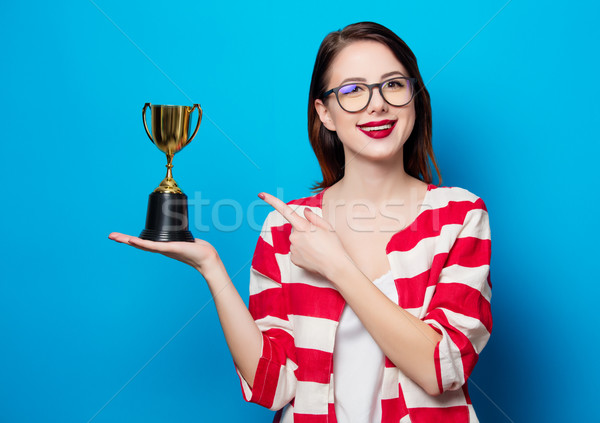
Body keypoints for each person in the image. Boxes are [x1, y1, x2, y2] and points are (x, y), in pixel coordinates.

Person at [110, 21, 491, 423]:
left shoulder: (459, 216)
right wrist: (212, 269)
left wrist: (337, 266)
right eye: (353, 90)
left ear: (414, 97)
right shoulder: (286, 226)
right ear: (325, 113)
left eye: (393, 84)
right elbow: (274, 388)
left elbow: (440, 369)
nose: (377, 104)